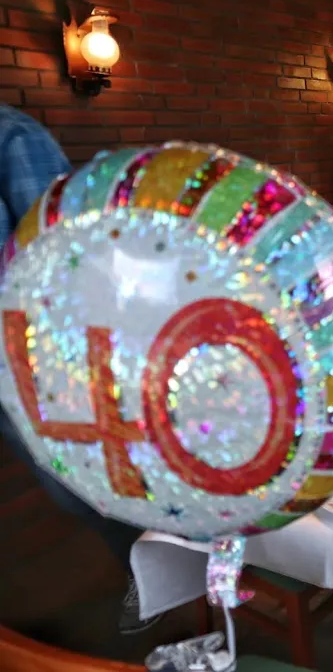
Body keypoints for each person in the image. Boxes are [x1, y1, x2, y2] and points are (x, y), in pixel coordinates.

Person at [0, 103, 160, 634]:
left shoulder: (13, 139)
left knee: (85, 484)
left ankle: (155, 565)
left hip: (36, 363)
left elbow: (64, 262)